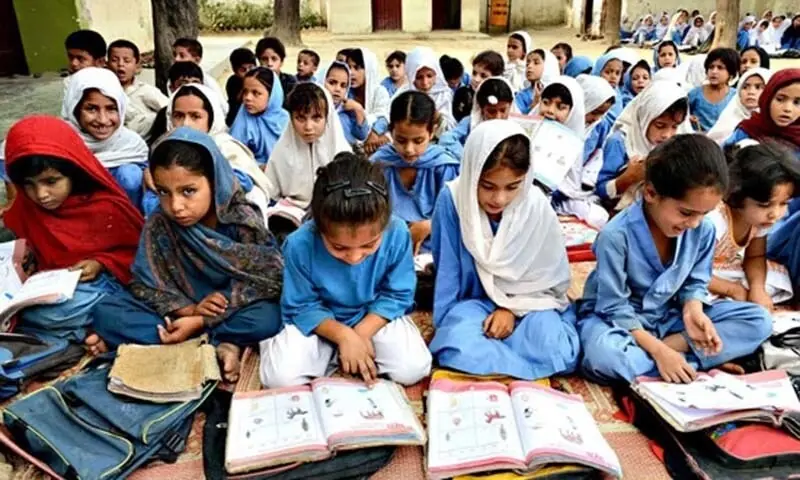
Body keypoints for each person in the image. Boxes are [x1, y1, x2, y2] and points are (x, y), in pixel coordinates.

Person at [92, 128, 284, 382]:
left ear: (214, 182)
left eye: (188, 191)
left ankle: (194, 343)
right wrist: (188, 310)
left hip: (227, 312)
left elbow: (269, 279)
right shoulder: (159, 224)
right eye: (163, 192)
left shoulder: (242, 220)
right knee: (107, 311)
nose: (176, 206)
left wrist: (203, 319)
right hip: (179, 312)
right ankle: (218, 346)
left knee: (270, 318)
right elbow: (144, 284)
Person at [578, 134, 772, 384]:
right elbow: (613, 306)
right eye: (686, 212)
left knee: (759, 321)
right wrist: (660, 351)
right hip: (619, 321)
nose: (694, 223)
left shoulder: (702, 229)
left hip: (668, 316)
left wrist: (694, 310)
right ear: (650, 193)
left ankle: (663, 358)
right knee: (604, 358)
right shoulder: (615, 236)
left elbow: (695, 282)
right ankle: (687, 362)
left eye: (705, 214)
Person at [260, 154, 432, 388]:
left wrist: (361, 333)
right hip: (320, 323)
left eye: (369, 245)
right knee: (279, 377)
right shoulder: (300, 244)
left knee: (413, 367)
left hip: (373, 317)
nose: (354, 257)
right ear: (319, 229)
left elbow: (397, 294)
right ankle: (332, 352)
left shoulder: (398, 232)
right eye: (339, 247)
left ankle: (339, 355)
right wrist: (343, 336)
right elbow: (301, 305)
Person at [429, 119, 580, 380]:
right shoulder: (453, 200)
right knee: (456, 344)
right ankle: (508, 361)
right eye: (488, 186)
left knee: (557, 348)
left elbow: (549, 279)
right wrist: (448, 324)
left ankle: (496, 363)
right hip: (473, 304)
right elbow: (449, 274)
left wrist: (511, 309)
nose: (499, 199)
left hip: (531, 304)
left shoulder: (535, 205)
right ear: (473, 174)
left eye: (512, 187)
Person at [3, 116, 142, 346]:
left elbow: (140, 256)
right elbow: (19, 247)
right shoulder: (26, 209)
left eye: (51, 181)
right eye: (29, 184)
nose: (41, 194)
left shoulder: (106, 207)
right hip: (41, 289)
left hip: (97, 285)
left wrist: (100, 262)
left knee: (51, 314)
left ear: (73, 173)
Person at [708, 142, 798, 308]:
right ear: (736, 195)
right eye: (764, 205)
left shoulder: (760, 220)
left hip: (728, 270)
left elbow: (755, 257)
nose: (775, 213)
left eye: (784, 203)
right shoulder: (715, 220)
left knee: (778, 278)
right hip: (701, 274)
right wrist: (732, 290)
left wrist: (758, 289)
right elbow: (689, 270)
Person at [167, 83, 272, 221]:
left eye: (195, 116)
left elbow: (246, 183)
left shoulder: (225, 147)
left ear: (211, 119)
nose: (186, 123)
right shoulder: (166, 148)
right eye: (178, 116)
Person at [372, 91, 460, 254]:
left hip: (433, 246)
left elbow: (457, 212)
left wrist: (431, 224)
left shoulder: (443, 166)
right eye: (401, 140)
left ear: (431, 132)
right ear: (391, 131)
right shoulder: (379, 165)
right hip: (385, 245)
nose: (409, 150)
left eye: (418, 141)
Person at [264, 83, 350, 236]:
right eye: (300, 118)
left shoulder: (341, 153)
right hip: (292, 214)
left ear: (328, 117)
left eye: (316, 118)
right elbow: (271, 192)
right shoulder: (282, 152)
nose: (308, 126)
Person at [61, 67, 149, 209]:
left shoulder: (131, 144)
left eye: (111, 108)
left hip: (124, 220)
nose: (102, 120)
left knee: (130, 175)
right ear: (74, 109)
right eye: (91, 109)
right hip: (77, 220)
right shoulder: (61, 139)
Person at [597, 80, 691, 211]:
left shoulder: (676, 145)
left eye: (674, 127)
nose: (667, 135)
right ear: (644, 118)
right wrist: (629, 177)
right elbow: (601, 190)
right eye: (660, 125)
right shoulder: (621, 142)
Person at [723, 68, 800, 155]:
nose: (787, 108)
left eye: (797, 102)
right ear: (767, 98)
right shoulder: (748, 130)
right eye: (780, 99)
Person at [107, 39, 169, 141]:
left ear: (137, 65)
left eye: (127, 61)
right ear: (107, 64)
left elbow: (169, 110)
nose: (120, 64)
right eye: (114, 60)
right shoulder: (102, 92)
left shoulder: (146, 91)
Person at [440, 77, 514, 159]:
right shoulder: (470, 122)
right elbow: (446, 139)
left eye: (503, 110)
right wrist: (467, 158)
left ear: (510, 106)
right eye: (491, 112)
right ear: (481, 108)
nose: (498, 117)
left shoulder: (515, 126)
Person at [230, 67, 290, 166]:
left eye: (256, 93)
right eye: (245, 92)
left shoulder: (285, 120)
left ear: (272, 95)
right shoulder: (243, 120)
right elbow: (234, 158)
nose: (248, 98)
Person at [397, 47, 457, 135]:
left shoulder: (444, 94)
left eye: (429, 76)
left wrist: (438, 118)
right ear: (411, 77)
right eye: (419, 77)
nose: (425, 83)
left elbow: (451, 128)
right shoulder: (403, 94)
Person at [344, 47, 392, 154]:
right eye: (348, 68)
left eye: (357, 68)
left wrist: (374, 134)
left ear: (369, 70)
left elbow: (383, 117)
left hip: (375, 140)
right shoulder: (345, 93)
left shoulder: (379, 91)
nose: (351, 73)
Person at [708, 68, 771, 144]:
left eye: (758, 87)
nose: (751, 92)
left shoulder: (774, 122)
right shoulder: (728, 119)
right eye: (745, 87)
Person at [688, 48, 739, 132]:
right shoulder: (694, 94)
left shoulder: (735, 97)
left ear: (731, 73)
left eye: (720, 68)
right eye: (711, 67)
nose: (714, 71)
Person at [577, 74, 616, 184]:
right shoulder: (564, 123)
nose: (596, 118)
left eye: (602, 114)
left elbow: (598, 153)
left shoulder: (600, 126)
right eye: (594, 112)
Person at [172, 38, 228, 115]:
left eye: (182, 56)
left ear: (197, 60)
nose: (176, 59)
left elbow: (224, 108)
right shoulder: (173, 78)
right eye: (175, 55)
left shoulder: (208, 82)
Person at [321, 61, 369, 146]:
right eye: (332, 83)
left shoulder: (347, 110)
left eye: (343, 86)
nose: (337, 89)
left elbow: (362, 135)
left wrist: (359, 109)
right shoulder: (314, 111)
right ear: (321, 81)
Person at [515, 48, 560, 114]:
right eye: (527, 63)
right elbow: (518, 118)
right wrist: (534, 104)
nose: (529, 66)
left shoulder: (558, 93)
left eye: (536, 63)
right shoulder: (521, 96)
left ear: (548, 66)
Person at [254, 37, 297, 101]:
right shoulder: (253, 82)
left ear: (281, 62)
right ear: (259, 61)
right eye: (264, 59)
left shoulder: (290, 82)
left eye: (274, 59)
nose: (269, 64)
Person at [225, 48, 257, 126]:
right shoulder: (232, 82)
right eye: (243, 70)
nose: (248, 72)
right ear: (235, 71)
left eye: (251, 67)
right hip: (237, 119)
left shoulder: (260, 79)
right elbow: (238, 100)